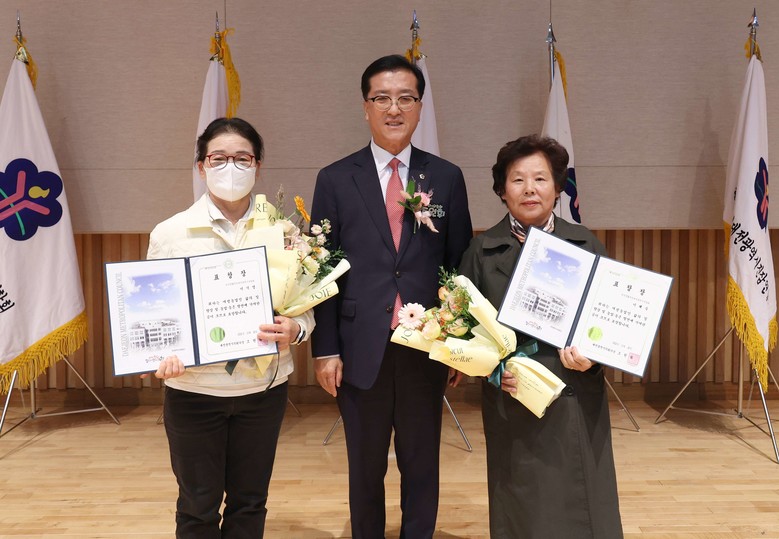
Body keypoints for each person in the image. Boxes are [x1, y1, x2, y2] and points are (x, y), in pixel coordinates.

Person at [310, 54, 473, 538]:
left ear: (420, 107)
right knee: (364, 466)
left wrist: (458, 344)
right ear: (365, 107)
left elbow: (458, 265)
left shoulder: (445, 177)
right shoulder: (335, 178)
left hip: (426, 345)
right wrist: (325, 349)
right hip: (360, 343)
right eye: (382, 98)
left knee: (422, 463)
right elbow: (323, 271)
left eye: (406, 98)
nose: (394, 108)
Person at [144, 117, 315, 538]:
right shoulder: (171, 233)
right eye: (218, 159)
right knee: (197, 507)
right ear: (201, 167)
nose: (230, 167)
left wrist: (296, 328)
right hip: (194, 392)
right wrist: (159, 356)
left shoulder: (285, 231)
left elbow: (306, 306)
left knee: (250, 502)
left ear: (258, 165)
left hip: (263, 392)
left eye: (242, 158)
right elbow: (154, 314)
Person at [458, 135, 623, 538]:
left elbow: (610, 322)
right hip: (514, 396)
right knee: (522, 505)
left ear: (557, 187)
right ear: (502, 190)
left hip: (574, 390)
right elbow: (461, 331)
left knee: (582, 502)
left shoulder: (585, 243)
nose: (529, 189)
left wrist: (593, 356)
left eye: (540, 179)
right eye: (518, 180)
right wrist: (493, 371)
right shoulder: (481, 250)